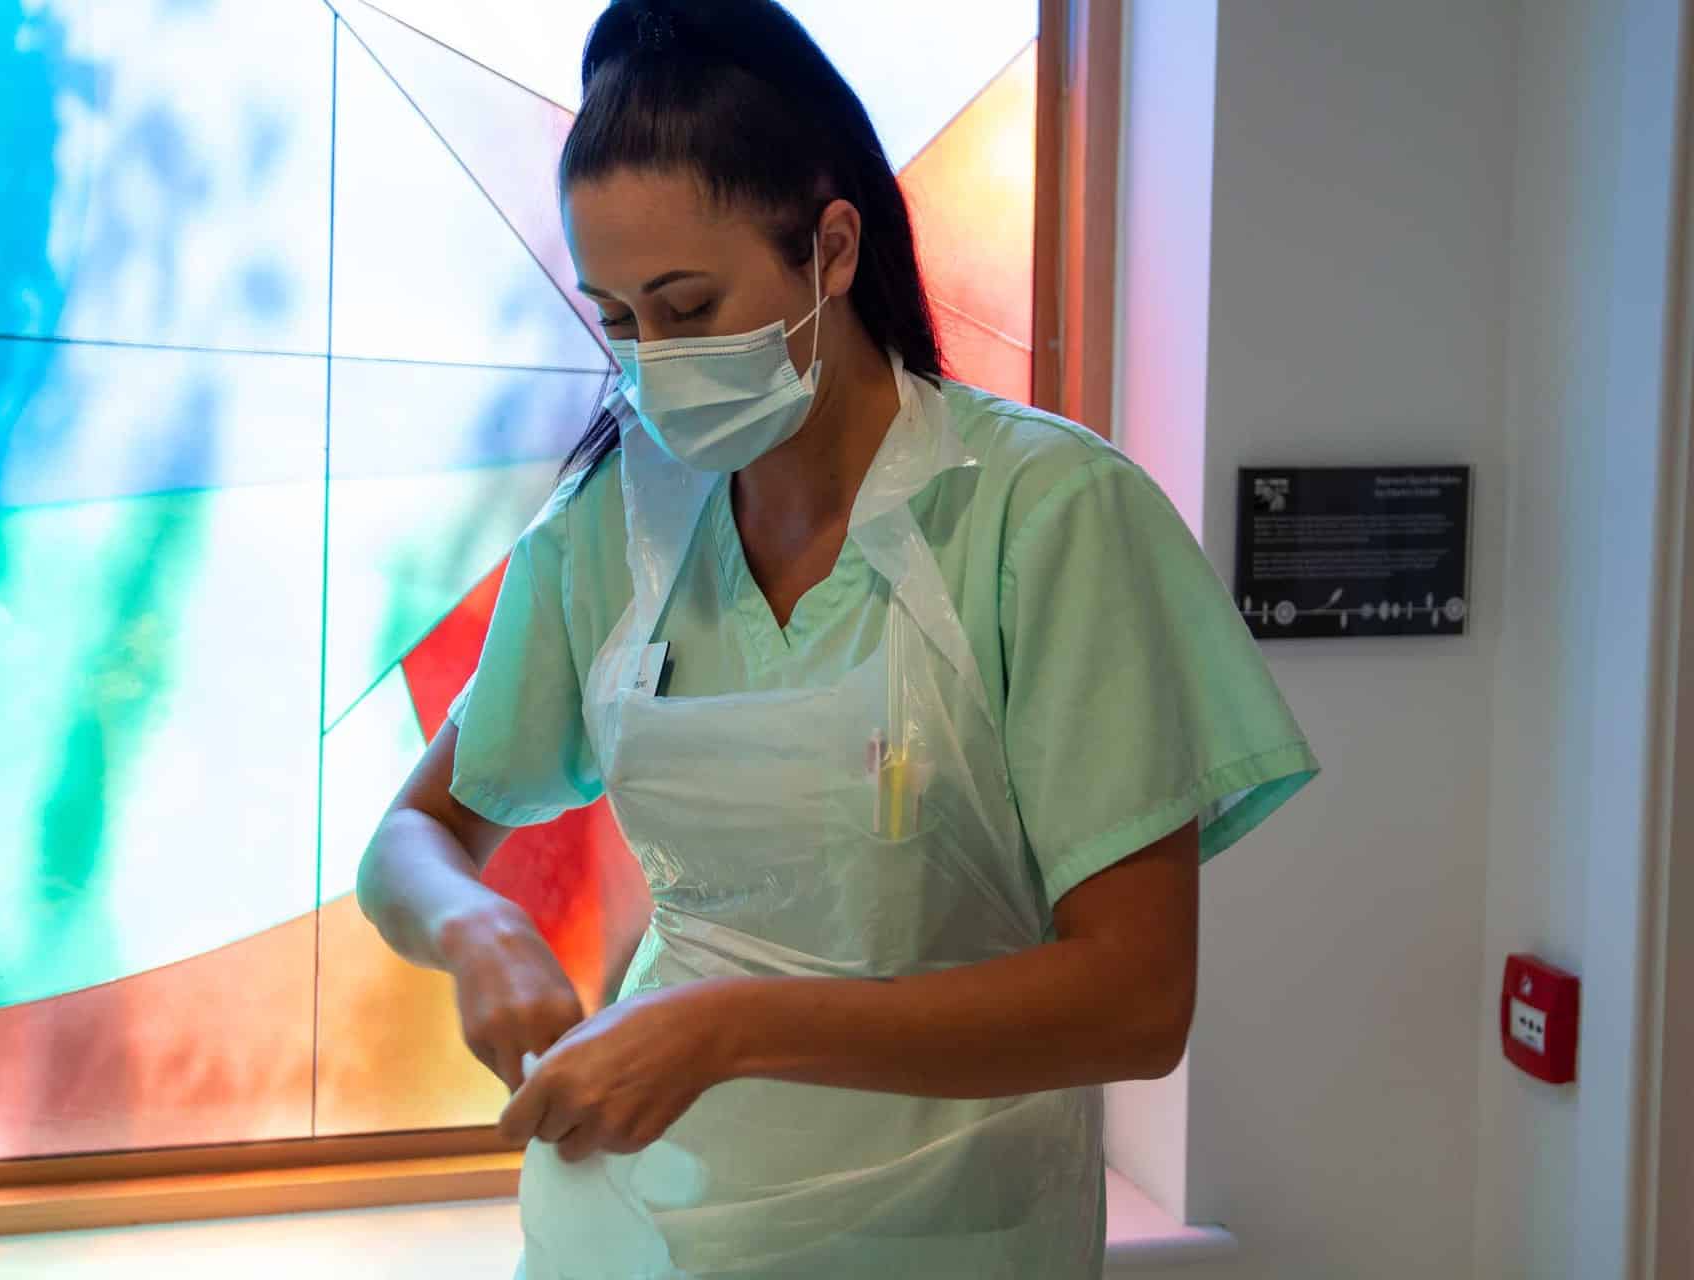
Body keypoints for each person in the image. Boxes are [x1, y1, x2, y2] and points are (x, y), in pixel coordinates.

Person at [356, 2, 1318, 1275]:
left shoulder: (1044, 518)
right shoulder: (613, 526)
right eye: (621, 322)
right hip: (633, 1222)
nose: (653, 366)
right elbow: (413, 838)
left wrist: (727, 1029)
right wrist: (474, 927)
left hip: (949, 1230)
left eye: (690, 305)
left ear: (831, 247)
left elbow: (1135, 1001)